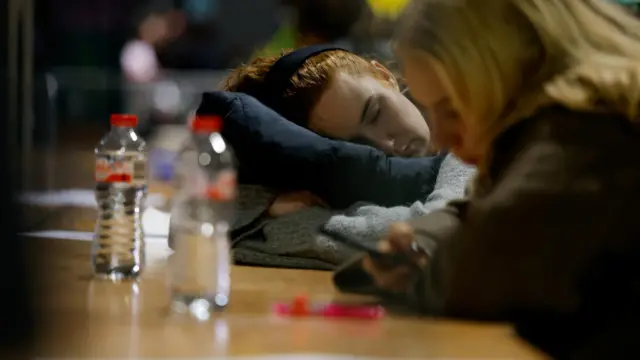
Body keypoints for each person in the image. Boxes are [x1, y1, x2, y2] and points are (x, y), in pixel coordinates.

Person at [333, 0, 640, 357]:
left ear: (512, 64)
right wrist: (416, 245)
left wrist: (414, 268)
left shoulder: (592, 129)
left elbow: (486, 260)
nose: (440, 138)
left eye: (452, 108)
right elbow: (473, 216)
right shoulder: (547, 131)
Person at [223, 46, 474, 244]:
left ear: (385, 76)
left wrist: (288, 224)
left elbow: (441, 232)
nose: (386, 146)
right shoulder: (355, 195)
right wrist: (267, 209)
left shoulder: (480, 132)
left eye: (375, 112)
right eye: (355, 147)